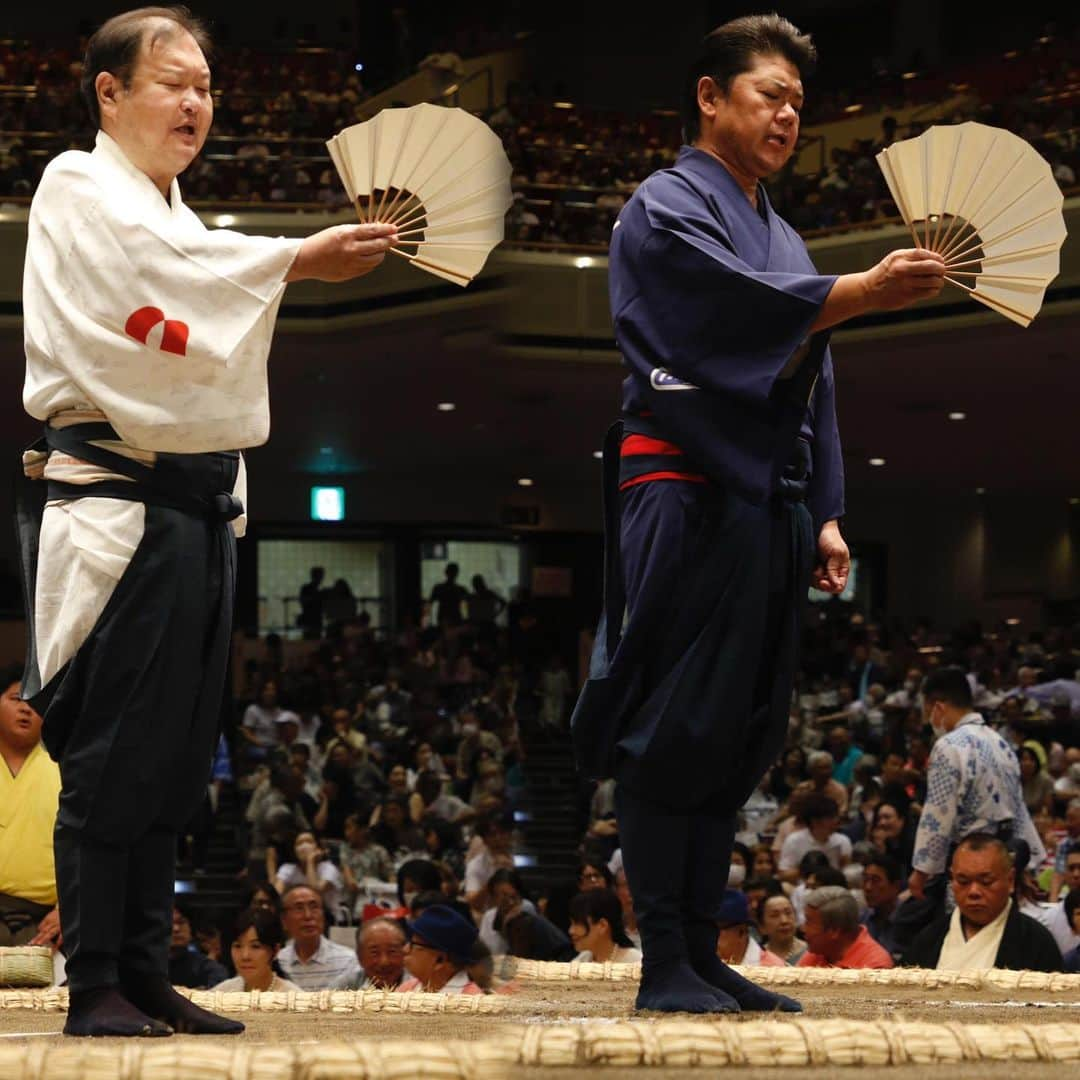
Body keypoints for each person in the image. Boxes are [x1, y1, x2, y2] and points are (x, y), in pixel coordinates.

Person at [16, 7, 395, 1039]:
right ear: (109, 92)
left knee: (174, 762)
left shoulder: (181, 217)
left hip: (194, 509)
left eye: (205, 87)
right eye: (171, 82)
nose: (194, 103)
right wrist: (292, 261)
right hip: (115, 506)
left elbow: (191, 278)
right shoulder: (76, 186)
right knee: (108, 758)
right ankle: (93, 979)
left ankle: (141, 970)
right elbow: (161, 290)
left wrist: (275, 265)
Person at [571, 14, 944, 1013]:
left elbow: (808, 373)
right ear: (709, 97)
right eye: (768, 94)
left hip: (764, 501)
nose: (785, 115)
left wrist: (823, 508)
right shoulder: (662, 208)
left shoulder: (782, 231)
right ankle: (662, 967)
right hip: (684, 489)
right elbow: (722, 316)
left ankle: (698, 951)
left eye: (795, 104)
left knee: (739, 732)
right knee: (672, 724)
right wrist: (856, 291)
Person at [908, 668, 1045, 904]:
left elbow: (938, 814)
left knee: (964, 935)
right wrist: (1025, 866)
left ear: (938, 708)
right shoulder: (1001, 743)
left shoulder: (948, 746)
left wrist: (921, 871)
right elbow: (1018, 809)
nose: (929, 722)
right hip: (1003, 862)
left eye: (927, 713)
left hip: (969, 864)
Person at [902, 835, 1062, 972]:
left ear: (1010, 880)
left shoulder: (1036, 943)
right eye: (963, 881)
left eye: (986, 881)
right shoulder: (928, 940)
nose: (974, 892)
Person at [0, 665, 61, 949]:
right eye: (15, 699)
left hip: (48, 922)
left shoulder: (67, 769)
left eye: (34, 701)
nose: (26, 708)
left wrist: (68, 909)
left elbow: (87, 846)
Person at [277, 884, 362, 990]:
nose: (308, 916)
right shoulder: (278, 962)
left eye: (314, 907)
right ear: (284, 920)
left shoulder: (348, 961)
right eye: (299, 908)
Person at [798, 887, 893, 969]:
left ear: (834, 931)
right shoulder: (817, 952)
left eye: (809, 922)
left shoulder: (875, 966)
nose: (803, 929)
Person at [399, 905, 483, 993]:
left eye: (413, 944)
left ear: (440, 960)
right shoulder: (407, 989)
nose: (405, 949)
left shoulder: (473, 1002)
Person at [213, 908, 301, 993]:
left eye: (255, 946)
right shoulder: (222, 992)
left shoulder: (294, 997)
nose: (245, 956)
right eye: (238, 946)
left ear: (275, 951)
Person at [568, 888, 643, 964]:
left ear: (602, 925)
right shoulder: (581, 960)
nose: (571, 931)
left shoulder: (635, 961)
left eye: (577, 923)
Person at [332, 916, 408, 990]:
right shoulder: (345, 987)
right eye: (374, 953)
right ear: (359, 956)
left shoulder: (417, 986)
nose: (384, 962)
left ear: (405, 953)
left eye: (392, 951)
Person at [714, 891, 784, 966]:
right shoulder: (704, 964)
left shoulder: (773, 968)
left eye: (715, 930)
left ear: (741, 932)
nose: (708, 936)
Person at [168, 906, 227, 989]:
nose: (176, 929)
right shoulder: (148, 965)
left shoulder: (204, 966)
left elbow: (221, 984)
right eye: (169, 922)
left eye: (181, 922)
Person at [859, 853, 904, 960]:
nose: (868, 887)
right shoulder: (861, 918)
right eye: (865, 880)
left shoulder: (909, 920)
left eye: (875, 881)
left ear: (895, 886)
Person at [756, 892, 806, 965]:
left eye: (788, 913)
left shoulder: (811, 952)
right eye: (775, 915)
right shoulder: (756, 957)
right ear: (762, 927)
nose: (784, 921)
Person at [430, 563, 468, 628]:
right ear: (457, 574)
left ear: (445, 572)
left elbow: (430, 603)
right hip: (456, 618)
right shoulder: (461, 589)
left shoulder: (438, 588)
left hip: (443, 619)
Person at [297, 566, 325, 639]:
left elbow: (302, 602)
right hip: (313, 619)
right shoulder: (316, 590)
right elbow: (303, 602)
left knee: (309, 638)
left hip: (311, 618)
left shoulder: (306, 588)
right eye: (320, 576)